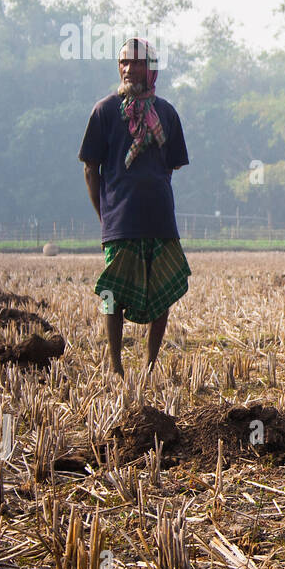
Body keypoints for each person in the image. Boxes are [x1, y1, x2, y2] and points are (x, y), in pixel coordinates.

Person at [79, 38, 191, 376]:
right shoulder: (104, 111)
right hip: (119, 221)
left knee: (164, 290)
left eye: (136, 63)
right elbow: (90, 168)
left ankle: (149, 366)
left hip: (159, 218)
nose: (128, 69)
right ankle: (116, 366)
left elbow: (170, 166)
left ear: (151, 69)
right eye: (123, 62)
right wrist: (105, 215)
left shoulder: (167, 114)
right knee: (112, 293)